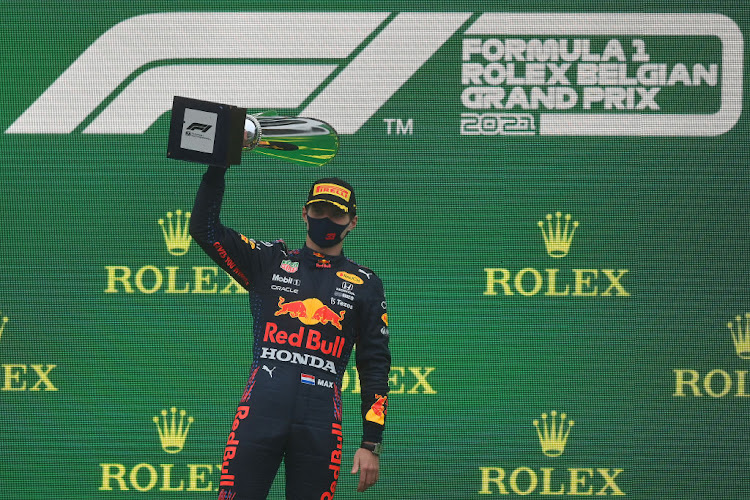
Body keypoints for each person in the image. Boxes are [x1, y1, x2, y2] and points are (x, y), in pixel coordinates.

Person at [189, 165, 391, 500]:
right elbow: (204, 230)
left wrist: (371, 443)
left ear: (352, 221)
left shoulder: (366, 284)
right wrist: (218, 166)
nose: (325, 218)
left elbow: (375, 366)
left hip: (321, 422)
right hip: (260, 412)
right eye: (318, 210)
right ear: (305, 213)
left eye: (336, 214)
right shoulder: (270, 261)